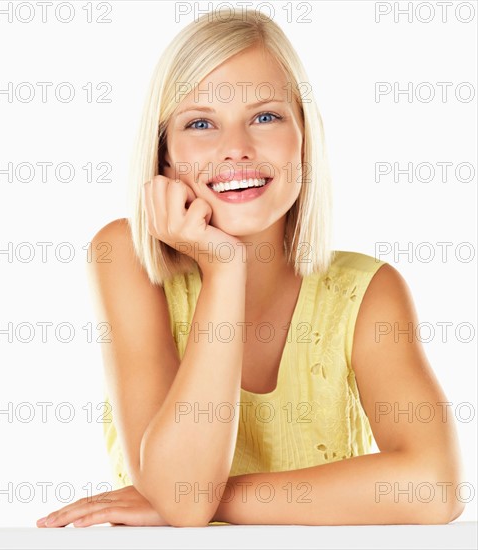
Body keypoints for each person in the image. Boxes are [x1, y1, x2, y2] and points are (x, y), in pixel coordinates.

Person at [36, 8, 464, 528]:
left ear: (305, 138)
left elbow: (435, 487)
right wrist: (223, 269)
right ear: (164, 156)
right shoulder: (125, 256)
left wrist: (213, 497)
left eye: (265, 117)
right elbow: (182, 500)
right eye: (200, 123)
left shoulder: (367, 292)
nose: (236, 149)